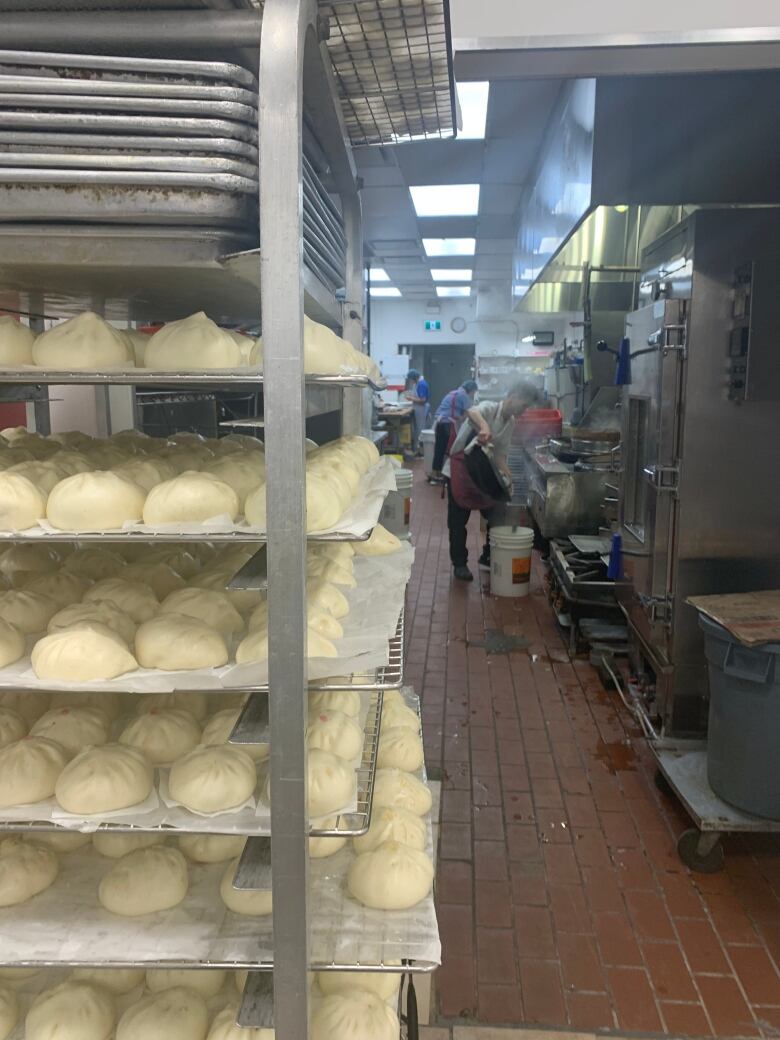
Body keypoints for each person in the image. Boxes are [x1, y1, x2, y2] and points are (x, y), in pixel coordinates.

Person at [444, 381, 544, 582]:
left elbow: (499, 455)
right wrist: (484, 426)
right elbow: (472, 411)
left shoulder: (511, 422)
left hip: (483, 471)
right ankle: (460, 564)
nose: (523, 411)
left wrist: (508, 477)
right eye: (523, 406)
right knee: (457, 522)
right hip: (460, 470)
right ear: (514, 396)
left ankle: (488, 556)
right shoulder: (489, 408)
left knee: (498, 510)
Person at [430, 379, 478, 483]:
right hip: (448, 424)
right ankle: (448, 476)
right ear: (471, 390)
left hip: (439, 423)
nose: (473, 394)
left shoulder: (453, 392)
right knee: (451, 450)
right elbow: (469, 413)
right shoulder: (464, 396)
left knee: (439, 449)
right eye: (474, 392)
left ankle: (434, 475)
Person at [404, 368, 430, 453]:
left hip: (421, 409)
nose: (411, 381)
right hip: (417, 408)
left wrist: (410, 398)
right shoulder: (418, 383)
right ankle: (417, 450)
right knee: (416, 430)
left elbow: (422, 400)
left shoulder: (422, 384)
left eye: (411, 379)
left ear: (414, 378)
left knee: (420, 430)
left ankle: (421, 451)